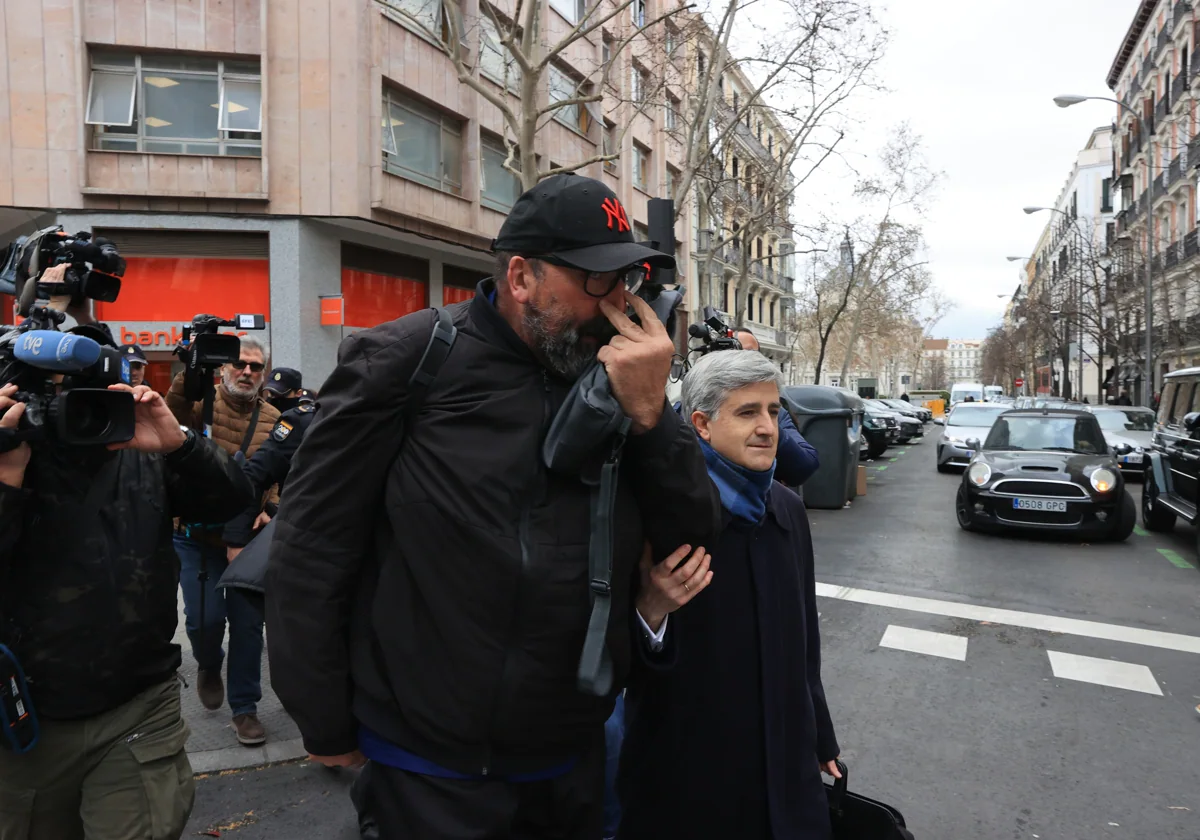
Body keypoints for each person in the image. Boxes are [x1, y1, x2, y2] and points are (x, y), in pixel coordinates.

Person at [265, 172, 722, 839]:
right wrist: (323, 718)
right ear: (520, 277)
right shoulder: (408, 360)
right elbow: (313, 547)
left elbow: (693, 539)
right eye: (598, 281)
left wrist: (655, 414)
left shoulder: (623, 377)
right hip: (429, 761)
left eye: (627, 281)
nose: (618, 303)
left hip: (570, 752)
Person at [0, 308, 254, 836]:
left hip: (138, 709)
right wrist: (7, 482)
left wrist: (181, 447)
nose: (74, 410)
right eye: (53, 395)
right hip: (22, 718)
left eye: (89, 393)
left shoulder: (140, 445)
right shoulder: (9, 456)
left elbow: (230, 498)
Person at [618, 350, 841, 840]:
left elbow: (806, 642)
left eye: (773, 411)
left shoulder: (785, 508)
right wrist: (650, 610)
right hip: (691, 779)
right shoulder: (658, 511)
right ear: (701, 424)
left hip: (786, 768)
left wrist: (820, 736)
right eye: (747, 412)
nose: (768, 427)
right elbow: (610, 661)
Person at [166, 337, 280, 746]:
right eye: (239, 365)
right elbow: (171, 417)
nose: (247, 372)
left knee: (249, 627)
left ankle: (245, 708)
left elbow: (280, 472)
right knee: (204, 621)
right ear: (223, 370)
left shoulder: (273, 417)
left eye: (255, 366)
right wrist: (188, 375)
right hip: (196, 538)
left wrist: (273, 506)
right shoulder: (201, 403)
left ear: (263, 373)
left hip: (248, 541)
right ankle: (209, 663)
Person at [734, 328, 819, 487]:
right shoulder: (689, 407)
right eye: (735, 352)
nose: (743, 362)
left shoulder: (776, 414)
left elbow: (806, 464)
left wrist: (770, 425)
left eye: (751, 355)